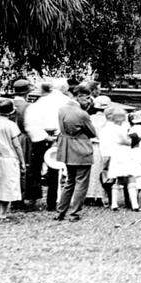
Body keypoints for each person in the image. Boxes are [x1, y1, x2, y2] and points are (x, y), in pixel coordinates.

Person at [54, 85, 97, 222]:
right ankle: (74, 213)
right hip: (81, 149)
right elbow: (92, 133)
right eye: (87, 98)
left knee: (69, 181)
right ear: (79, 96)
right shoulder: (82, 114)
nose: (89, 101)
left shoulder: (61, 109)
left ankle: (60, 212)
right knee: (81, 183)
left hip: (67, 149)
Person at [23, 80, 66, 211]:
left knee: (34, 168)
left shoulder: (36, 105)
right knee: (55, 169)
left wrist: (43, 135)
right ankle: (52, 202)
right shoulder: (65, 102)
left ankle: (32, 199)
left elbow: (30, 123)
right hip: (58, 136)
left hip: (41, 136)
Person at [0, 99, 24, 221]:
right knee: (8, 186)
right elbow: (17, 145)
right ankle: (3, 214)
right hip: (9, 158)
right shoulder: (11, 125)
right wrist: (22, 161)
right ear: (11, 111)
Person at [102, 105, 139, 211]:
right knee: (130, 177)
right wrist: (133, 141)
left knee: (116, 179)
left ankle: (114, 203)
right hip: (125, 153)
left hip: (115, 154)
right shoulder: (123, 127)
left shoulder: (108, 127)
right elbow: (124, 141)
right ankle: (135, 204)